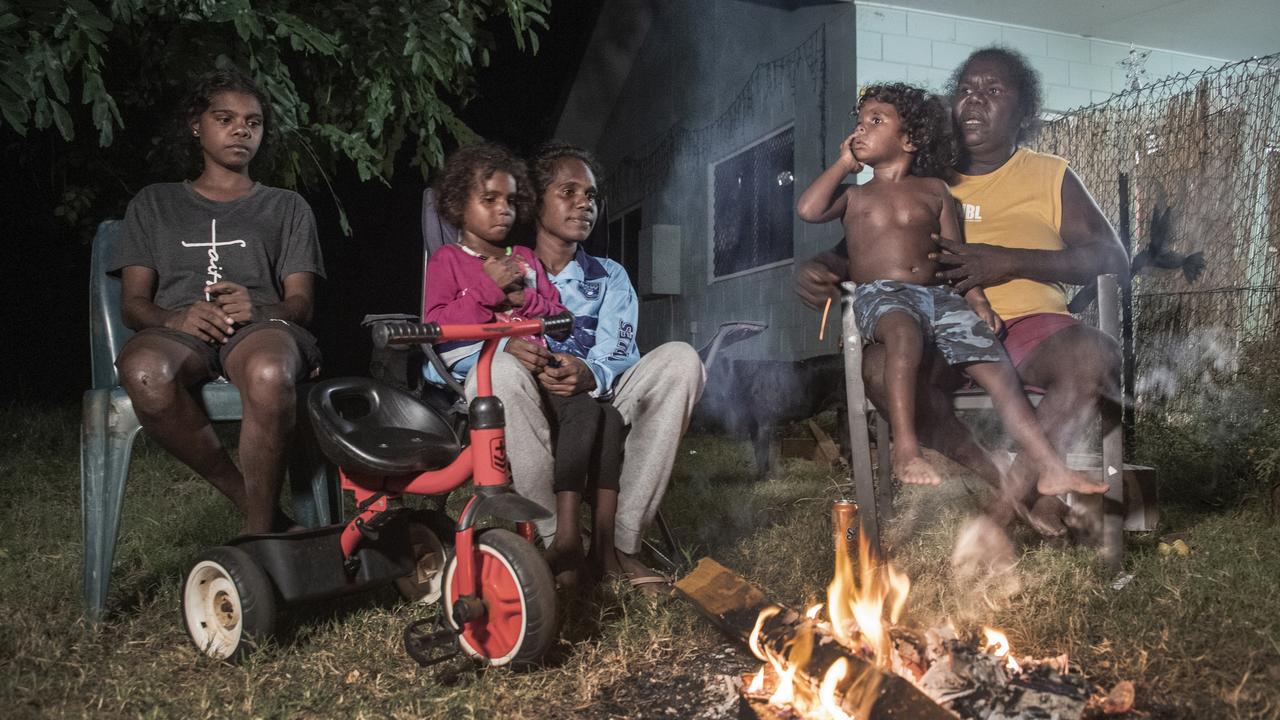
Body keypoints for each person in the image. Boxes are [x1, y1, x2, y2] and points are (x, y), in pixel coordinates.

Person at [795, 48, 1127, 535]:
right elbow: (863, 249)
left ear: (1024, 111)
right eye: (966, 90)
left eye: (993, 91)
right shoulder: (921, 179)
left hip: (1033, 328)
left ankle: (1003, 513)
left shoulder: (1049, 174)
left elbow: (1112, 259)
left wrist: (1007, 260)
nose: (975, 101)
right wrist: (818, 267)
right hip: (931, 330)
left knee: (1095, 356)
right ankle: (1009, 488)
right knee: (882, 367)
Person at [465, 142, 704, 594]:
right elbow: (451, 340)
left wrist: (591, 372)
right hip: (526, 399)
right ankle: (558, 540)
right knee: (497, 366)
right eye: (569, 191)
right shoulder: (498, 268)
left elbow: (620, 349)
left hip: (598, 398)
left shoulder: (608, 275)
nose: (584, 204)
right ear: (535, 202)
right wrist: (504, 346)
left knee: (681, 360)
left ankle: (619, 546)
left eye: (591, 196)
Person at [111, 68, 325, 535]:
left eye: (254, 122)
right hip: (179, 332)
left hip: (260, 330)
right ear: (196, 126)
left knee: (270, 372)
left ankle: (255, 537)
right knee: (145, 371)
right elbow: (133, 306)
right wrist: (177, 317)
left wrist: (259, 309)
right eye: (225, 118)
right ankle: (259, 510)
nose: (241, 130)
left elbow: (301, 304)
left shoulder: (287, 207)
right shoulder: (154, 203)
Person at [422, 143, 625, 588]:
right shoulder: (448, 262)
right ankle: (556, 534)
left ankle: (586, 541)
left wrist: (522, 297)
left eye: (512, 201)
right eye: (489, 200)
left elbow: (555, 313)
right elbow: (436, 325)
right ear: (458, 206)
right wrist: (486, 293)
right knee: (528, 383)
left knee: (601, 413)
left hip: (543, 371)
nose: (504, 211)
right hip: (493, 374)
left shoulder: (525, 260)